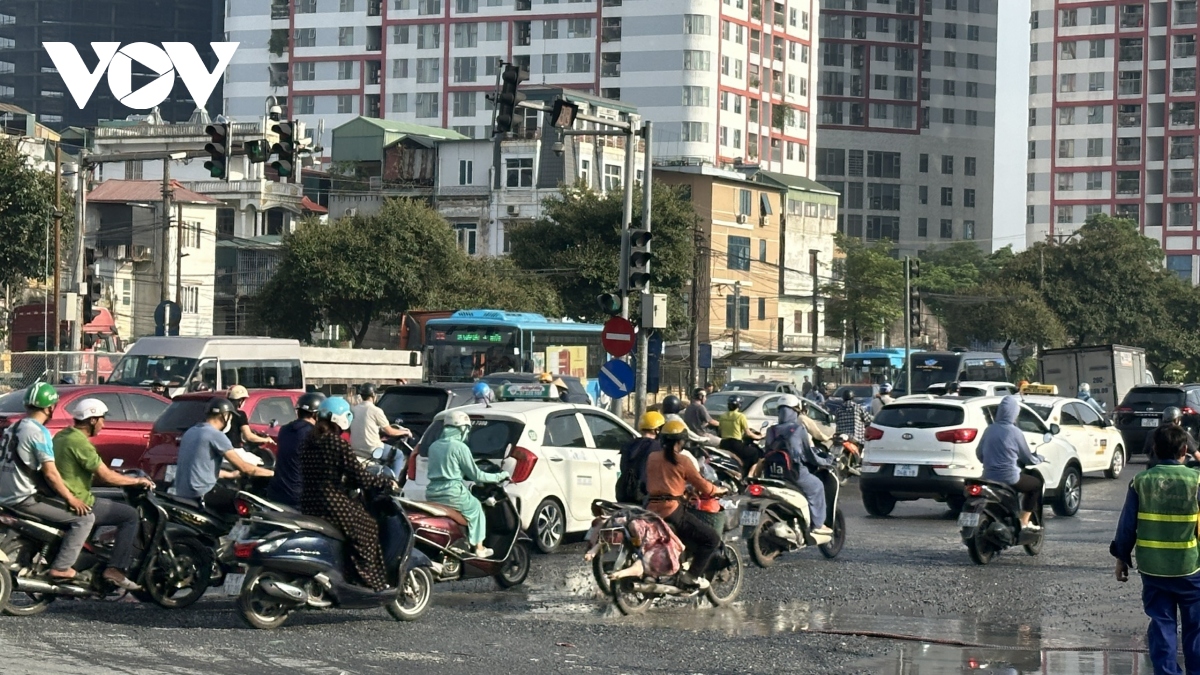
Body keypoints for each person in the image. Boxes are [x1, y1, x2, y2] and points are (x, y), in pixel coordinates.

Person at [1111, 425, 1200, 675]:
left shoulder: (1140, 481)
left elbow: (1127, 525)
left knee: (1162, 626)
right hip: (1190, 568)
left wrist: (1121, 557)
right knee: (1196, 628)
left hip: (1153, 569)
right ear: (1185, 450)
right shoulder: (1197, 480)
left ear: (1154, 450)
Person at [52, 398, 154, 590]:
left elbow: (84, 473)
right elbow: (106, 476)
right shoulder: (80, 443)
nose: (103, 424)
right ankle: (116, 569)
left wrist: (118, 476)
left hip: (59, 496)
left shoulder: (62, 436)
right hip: (79, 500)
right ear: (92, 420)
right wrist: (136, 480)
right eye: (102, 419)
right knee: (129, 516)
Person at [300, 397, 396, 591]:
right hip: (331, 502)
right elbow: (361, 476)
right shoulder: (336, 443)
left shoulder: (309, 440)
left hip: (308, 501)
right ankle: (366, 580)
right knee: (368, 527)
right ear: (342, 419)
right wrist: (386, 483)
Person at [0, 383, 94, 581]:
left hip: (5, 496)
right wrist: (71, 499)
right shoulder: (38, 432)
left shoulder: (12, 428)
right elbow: (51, 473)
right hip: (24, 498)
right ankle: (62, 566)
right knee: (85, 519)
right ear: (49, 408)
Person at [644, 419, 726, 588]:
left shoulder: (652, 457)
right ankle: (692, 576)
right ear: (681, 442)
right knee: (711, 538)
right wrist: (718, 490)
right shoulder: (683, 460)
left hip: (651, 509)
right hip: (672, 510)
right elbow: (702, 485)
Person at [426, 410, 509, 558]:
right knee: (476, 508)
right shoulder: (459, 447)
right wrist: (500, 476)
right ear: (462, 428)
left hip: (432, 492)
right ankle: (479, 547)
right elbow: (476, 474)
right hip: (452, 492)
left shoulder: (434, 446)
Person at [175, 397, 274, 512]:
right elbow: (246, 468)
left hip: (183, 493)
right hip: (203, 494)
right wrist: (274, 473)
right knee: (249, 505)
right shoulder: (216, 435)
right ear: (225, 415)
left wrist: (231, 475)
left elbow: (200, 468)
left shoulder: (191, 432)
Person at [765, 395, 833, 535]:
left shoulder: (771, 430)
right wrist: (826, 461)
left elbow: (765, 451)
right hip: (794, 474)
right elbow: (809, 455)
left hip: (771, 474)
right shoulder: (797, 429)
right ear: (796, 410)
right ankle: (818, 524)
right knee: (817, 486)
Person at [976, 395, 1042, 531]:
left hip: (988, 477)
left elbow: (979, 453)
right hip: (1010, 477)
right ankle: (1024, 521)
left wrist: (989, 462)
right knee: (1036, 486)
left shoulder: (989, 430)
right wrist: (1038, 459)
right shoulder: (1015, 432)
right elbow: (1027, 457)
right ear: (1014, 413)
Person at [265, 392, 325, 510]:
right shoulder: (313, 434)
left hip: (277, 492)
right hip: (297, 497)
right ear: (316, 415)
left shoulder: (284, 430)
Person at [350, 383, 411, 459]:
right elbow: (390, 432)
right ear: (373, 395)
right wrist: (405, 432)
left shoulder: (354, 409)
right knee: (399, 455)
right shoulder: (376, 411)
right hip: (373, 450)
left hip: (356, 450)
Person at [617, 411, 663, 503]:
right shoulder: (658, 447)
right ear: (657, 430)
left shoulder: (629, 445)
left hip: (623, 494)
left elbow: (623, 468)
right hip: (645, 496)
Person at [717, 395, 763, 468]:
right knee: (755, 452)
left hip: (724, 444)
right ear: (739, 405)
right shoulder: (740, 416)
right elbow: (748, 433)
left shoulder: (723, 416)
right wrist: (759, 436)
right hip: (736, 445)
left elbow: (719, 432)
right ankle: (750, 474)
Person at [225, 385, 275, 451]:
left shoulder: (220, 413)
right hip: (234, 450)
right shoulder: (240, 415)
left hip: (218, 450)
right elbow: (248, 436)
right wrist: (266, 440)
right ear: (240, 400)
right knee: (257, 461)